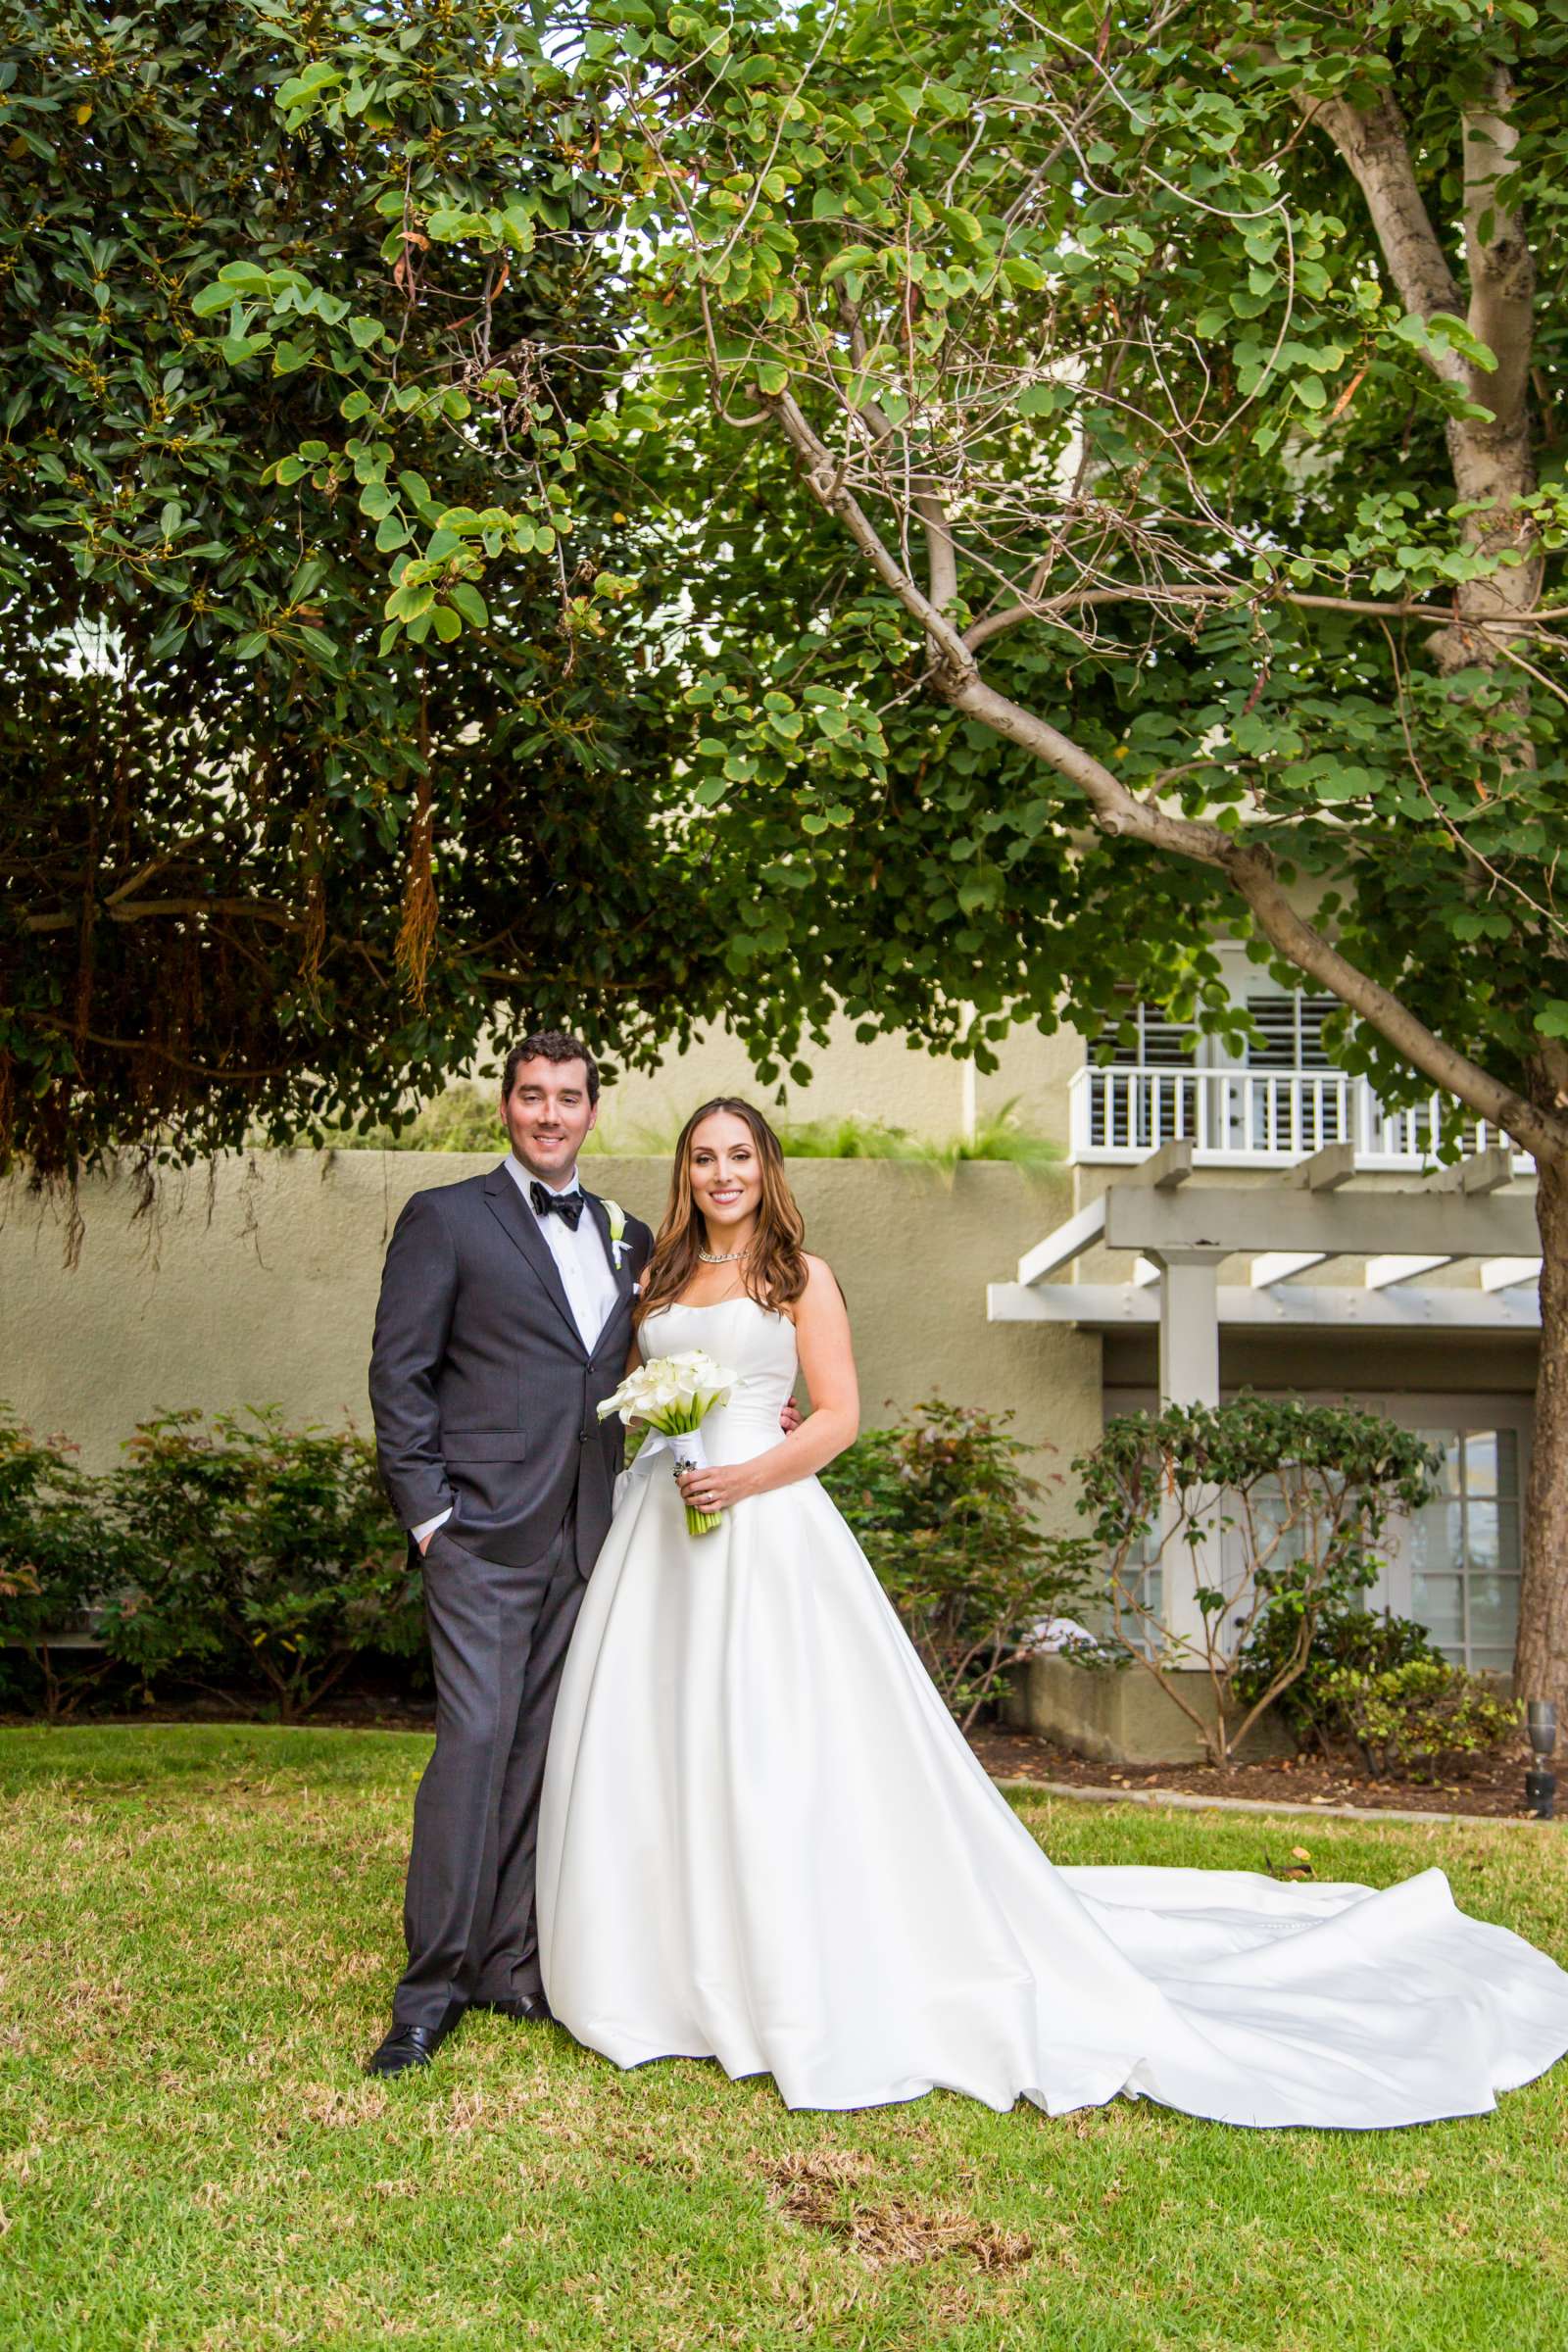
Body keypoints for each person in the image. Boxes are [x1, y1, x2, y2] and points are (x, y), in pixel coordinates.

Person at [535, 1098, 1568, 2130]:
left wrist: (748, 1472)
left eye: (740, 1156)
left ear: (767, 1169)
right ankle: (665, 1960)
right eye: (705, 1158)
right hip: (663, 1532)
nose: (722, 1174)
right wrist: (670, 1442)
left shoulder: (802, 1279)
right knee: (660, 1735)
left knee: (773, 1742)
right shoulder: (657, 1280)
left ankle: (781, 1951)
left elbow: (840, 1418)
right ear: (686, 1172)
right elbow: (634, 1385)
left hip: (763, 1528)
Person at [363, 1031, 653, 2077]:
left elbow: (642, 1369)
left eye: (567, 1098)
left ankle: (505, 1964)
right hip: (479, 1536)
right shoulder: (446, 1218)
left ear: (590, 1111)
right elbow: (401, 1376)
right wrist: (431, 1517)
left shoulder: (630, 1235)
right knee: (474, 1746)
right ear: (505, 1106)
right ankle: (428, 1990)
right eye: (531, 1096)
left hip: (585, 1535)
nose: (549, 1114)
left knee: (540, 1756)